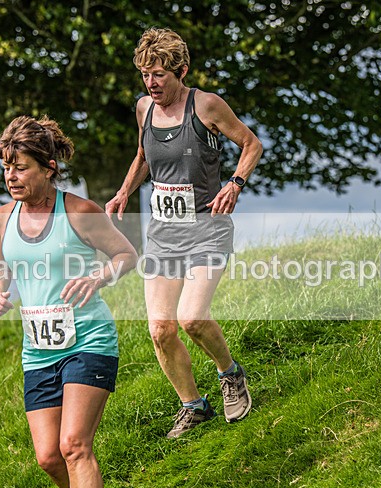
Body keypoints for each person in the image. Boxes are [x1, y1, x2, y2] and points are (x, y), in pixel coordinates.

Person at [105, 28, 263, 438]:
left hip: (207, 228)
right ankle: (193, 405)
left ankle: (230, 374)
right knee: (160, 329)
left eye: (159, 74)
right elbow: (143, 156)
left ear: (181, 70)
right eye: (145, 75)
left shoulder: (206, 105)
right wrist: (124, 190)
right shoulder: (144, 109)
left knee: (192, 318)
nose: (151, 83)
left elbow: (251, 144)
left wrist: (235, 183)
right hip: (163, 234)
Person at [0, 115, 138, 488]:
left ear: (48, 167)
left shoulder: (79, 212)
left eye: (21, 167)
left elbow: (127, 255)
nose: (11, 176)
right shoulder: (2, 218)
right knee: (49, 457)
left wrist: (98, 276)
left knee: (73, 445)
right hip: (37, 350)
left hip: (87, 340)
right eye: (5, 167)